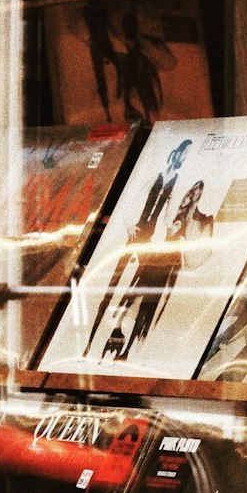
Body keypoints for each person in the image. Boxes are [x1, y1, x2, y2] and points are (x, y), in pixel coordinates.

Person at [84, 138, 192, 354]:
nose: (184, 157)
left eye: (188, 155)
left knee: (133, 286)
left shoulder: (177, 181)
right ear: (177, 152)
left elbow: (169, 212)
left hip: (150, 237)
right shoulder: (156, 175)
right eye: (184, 153)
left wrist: (171, 226)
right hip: (136, 232)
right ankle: (90, 341)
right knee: (114, 282)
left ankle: (115, 335)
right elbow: (133, 200)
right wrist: (129, 224)